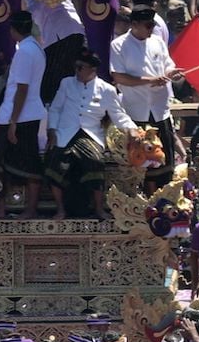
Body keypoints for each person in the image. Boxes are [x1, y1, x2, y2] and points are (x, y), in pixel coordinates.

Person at [45, 51, 138, 220]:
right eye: (76, 67)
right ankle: (60, 209)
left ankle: (99, 209)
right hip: (66, 132)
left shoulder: (107, 90)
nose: (77, 70)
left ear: (92, 69)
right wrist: (52, 130)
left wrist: (131, 129)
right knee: (55, 162)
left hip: (90, 134)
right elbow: (55, 108)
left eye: (81, 67)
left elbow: (118, 115)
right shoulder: (66, 83)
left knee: (94, 162)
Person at [110, 7, 182, 173]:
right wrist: (150, 81)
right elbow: (119, 77)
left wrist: (172, 73)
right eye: (148, 25)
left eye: (152, 25)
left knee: (165, 161)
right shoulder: (119, 45)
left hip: (159, 110)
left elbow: (168, 66)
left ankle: (165, 195)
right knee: (139, 164)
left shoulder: (157, 41)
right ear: (134, 24)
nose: (151, 29)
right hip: (136, 111)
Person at [0, 11, 47, 219]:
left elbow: (22, 88)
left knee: (27, 162)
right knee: (9, 162)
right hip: (23, 114)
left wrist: (14, 121)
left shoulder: (26, 51)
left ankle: (30, 208)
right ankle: (2, 206)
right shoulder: (34, 48)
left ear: (13, 29)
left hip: (21, 116)